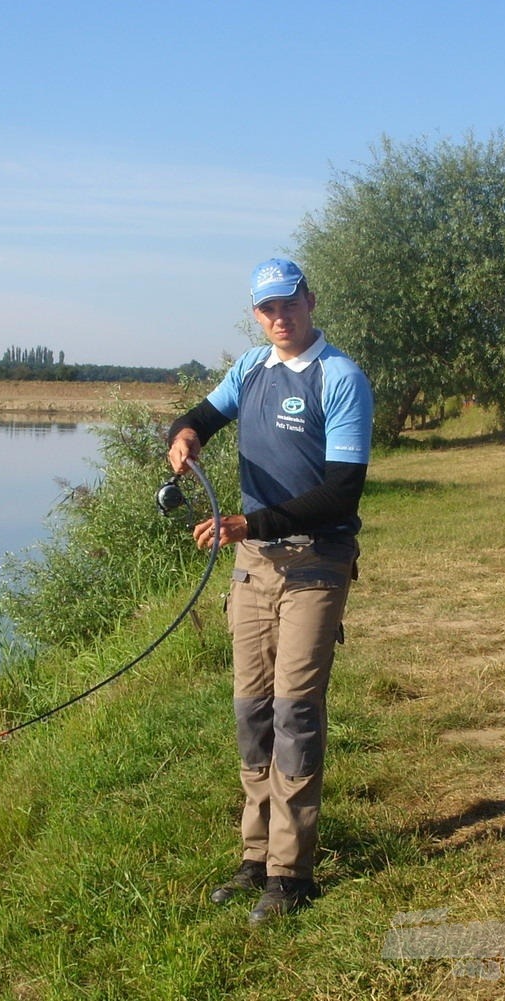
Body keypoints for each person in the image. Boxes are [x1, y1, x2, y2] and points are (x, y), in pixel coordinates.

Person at [166, 257, 373, 925]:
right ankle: (254, 856)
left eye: (288, 302)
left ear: (310, 299)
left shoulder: (340, 378)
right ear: (255, 314)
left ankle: (291, 872)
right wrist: (185, 437)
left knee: (295, 712)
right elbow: (198, 414)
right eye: (266, 308)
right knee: (252, 711)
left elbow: (342, 489)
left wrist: (248, 521)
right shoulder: (250, 369)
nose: (278, 316)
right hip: (252, 565)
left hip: (316, 562)